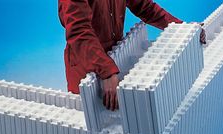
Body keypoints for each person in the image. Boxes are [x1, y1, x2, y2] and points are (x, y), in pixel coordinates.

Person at [58, 0, 206, 111]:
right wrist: (107, 71)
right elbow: (78, 31)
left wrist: (181, 27)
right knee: (88, 126)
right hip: (86, 67)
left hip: (113, 63)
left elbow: (145, 7)